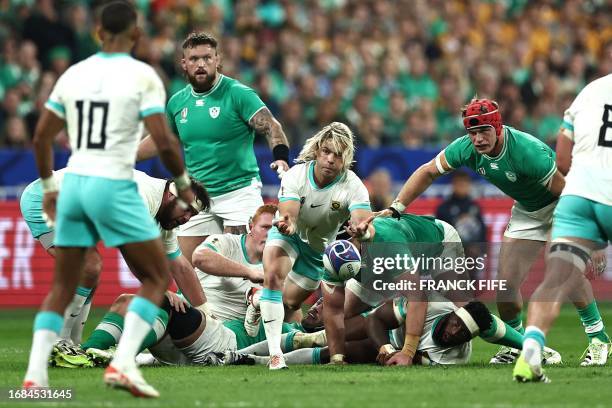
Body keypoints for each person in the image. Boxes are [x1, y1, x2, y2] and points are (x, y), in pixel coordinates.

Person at [23, 2, 198, 398]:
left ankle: (36, 375)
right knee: (154, 279)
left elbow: (41, 137)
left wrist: (51, 188)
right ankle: (121, 365)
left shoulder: (74, 74)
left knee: (74, 276)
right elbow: (164, 141)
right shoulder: (143, 75)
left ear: (98, 33)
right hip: (113, 183)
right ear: (135, 36)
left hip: (77, 181)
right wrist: (183, 181)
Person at [379, 98, 603, 365]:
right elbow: (428, 172)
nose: (477, 139)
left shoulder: (526, 151)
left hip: (562, 203)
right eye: (472, 133)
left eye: (483, 131)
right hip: (528, 211)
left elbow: (567, 192)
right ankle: (517, 346)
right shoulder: (465, 148)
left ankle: (599, 339)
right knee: (506, 287)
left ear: (498, 127)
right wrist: (395, 208)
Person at [137, 32, 291, 264]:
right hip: (198, 196)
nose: (201, 64)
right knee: (188, 268)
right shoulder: (177, 102)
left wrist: (280, 156)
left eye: (207, 58)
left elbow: (270, 125)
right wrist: (125, 157)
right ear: (184, 63)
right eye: (194, 59)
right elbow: (162, 140)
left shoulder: (238, 93)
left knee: (243, 270)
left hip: (238, 193)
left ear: (218, 60)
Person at [20, 168, 211, 347]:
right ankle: (58, 342)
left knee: (90, 274)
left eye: (192, 214)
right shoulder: (139, 196)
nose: (187, 218)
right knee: (89, 266)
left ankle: (73, 345)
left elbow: (181, 267)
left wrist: (207, 316)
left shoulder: (162, 214)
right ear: (171, 196)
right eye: (186, 209)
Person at [513, 74, 612, 383]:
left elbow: (562, 160)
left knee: (556, 279)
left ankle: (530, 351)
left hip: (576, 197)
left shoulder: (589, 91)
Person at [261, 122, 373, 369]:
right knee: (272, 277)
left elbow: (363, 220)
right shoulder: (296, 175)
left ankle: (258, 300)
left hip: (318, 251)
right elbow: (288, 213)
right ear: (317, 150)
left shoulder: (353, 185)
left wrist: (362, 230)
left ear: (346, 159)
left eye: (338, 155)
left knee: (289, 303)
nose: (331, 159)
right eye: (326, 152)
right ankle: (275, 355)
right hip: (288, 235)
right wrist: (288, 224)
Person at [435, 170, 487, 279]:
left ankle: (469, 287)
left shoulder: (475, 207)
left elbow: (482, 230)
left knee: (472, 253)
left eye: (465, 184)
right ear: (453, 185)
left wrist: (481, 248)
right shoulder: (443, 208)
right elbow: (439, 233)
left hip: (471, 249)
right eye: (459, 184)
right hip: (450, 248)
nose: (462, 187)